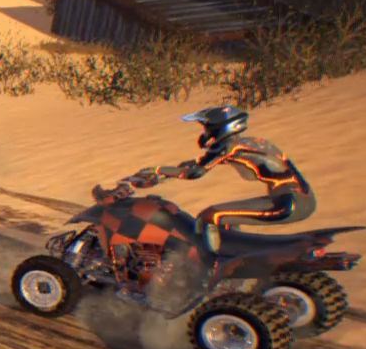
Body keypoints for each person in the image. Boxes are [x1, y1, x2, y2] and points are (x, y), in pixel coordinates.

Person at [134, 105, 315, 253]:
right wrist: (164, 176)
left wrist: (157, 170)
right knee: (226, 221)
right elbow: (196, 164)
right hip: (301, 199)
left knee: (209, 216)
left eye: (208, 128)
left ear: (220, 128)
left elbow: (194, 172)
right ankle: (234, 259)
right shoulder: (249, 143)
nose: (206, 133)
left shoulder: (229, 146)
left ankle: (211, 270)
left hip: (287, 203)